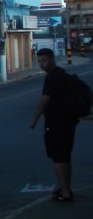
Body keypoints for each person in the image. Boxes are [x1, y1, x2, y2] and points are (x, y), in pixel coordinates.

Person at [29, 48, 79, 202]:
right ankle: (65, 188)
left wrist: (34, 120)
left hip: (57, 123)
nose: (42, 64)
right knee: (64, 157)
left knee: (58, 159)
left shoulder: (53, 78)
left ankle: (65, 192)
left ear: (51, 59)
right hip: (68, 122)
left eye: (44, 60)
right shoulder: (61, 74)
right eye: (39, 61)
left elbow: (44, 101)